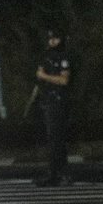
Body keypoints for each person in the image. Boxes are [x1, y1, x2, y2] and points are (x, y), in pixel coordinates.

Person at [34, 27, 71, 187]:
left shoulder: (63, 57)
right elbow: (39, 74)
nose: (52, 41)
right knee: (53, 138)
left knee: (57, 138)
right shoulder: (46, 55)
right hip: (47, 100)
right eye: (50, 39)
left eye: (55, 38)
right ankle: (58, 173)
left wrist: (45, 77)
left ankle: (57, 173)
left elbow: (64, 80)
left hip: (58, 100)